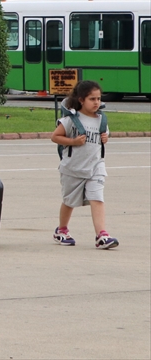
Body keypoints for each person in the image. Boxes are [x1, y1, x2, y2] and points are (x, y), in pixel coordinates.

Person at [51, 80, 117, 249]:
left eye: (98, 99)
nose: (96, 102)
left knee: (97, 198)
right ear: (81, 100)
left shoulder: (102, 120)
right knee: (69, 201)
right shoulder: (71, 120)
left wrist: (105, 138)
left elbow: (104, 137)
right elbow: (55, 137)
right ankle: (62, 230)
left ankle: (101, 235)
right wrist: (73, 141)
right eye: (92, 99)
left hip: (96, 167)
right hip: (73, 169)